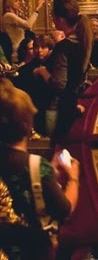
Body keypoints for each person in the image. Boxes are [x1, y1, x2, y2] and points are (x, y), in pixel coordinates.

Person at [0, 79, 77, 260]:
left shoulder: (35, 167)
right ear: (27, 126)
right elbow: (65, 209)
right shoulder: (35, 165)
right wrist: (74, 178)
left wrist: (47, 173)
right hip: (32, 251)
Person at [45, 0, 89, 143]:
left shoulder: (64, 47)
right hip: (72, 103)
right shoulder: (83, 40)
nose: (52, 20)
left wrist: (42, 72)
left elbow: (59, 83)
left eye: (53, 16)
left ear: (61, 20)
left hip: (59, 108)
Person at [0, 0, 45, 65]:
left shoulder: (11, 16)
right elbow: (28, 25)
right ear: (9, 3)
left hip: (21, 48)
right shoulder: (9, 15)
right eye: (16, 1)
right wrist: (37, 8)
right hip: (17, 50)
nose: (19, 2)